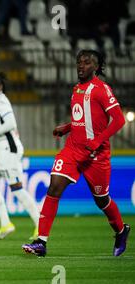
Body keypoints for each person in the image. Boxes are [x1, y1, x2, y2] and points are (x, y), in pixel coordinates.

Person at [22, 50, 129, 257]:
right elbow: (87, 119)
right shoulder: (77, 89)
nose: (81, 66)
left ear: (96, 67)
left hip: (96, 155)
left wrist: (98, 141)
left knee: (102, 200)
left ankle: (121, 230)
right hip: (73, 150)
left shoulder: (101, 89)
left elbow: (118, 120)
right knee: (54, 187)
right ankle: (41, 242)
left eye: (86, 63)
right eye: (79, 62)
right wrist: (68, 127)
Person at [0, 73, 40, 240]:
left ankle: (40, 224)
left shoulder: (1, 101)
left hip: (8, 151)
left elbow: (11, 124)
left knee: (17, 189)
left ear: (0, 86)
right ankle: (6, 224)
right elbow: (5, 125)